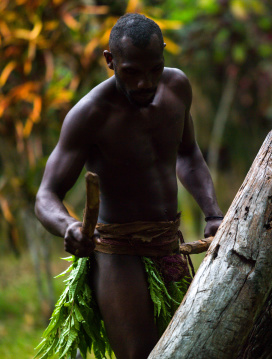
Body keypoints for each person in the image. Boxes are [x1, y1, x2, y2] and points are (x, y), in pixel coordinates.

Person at [34, 13, 223, 359]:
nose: (144, 83)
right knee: (140, 354)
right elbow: (46, 196)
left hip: (169, 244)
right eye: (131, 72)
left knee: (194, 348)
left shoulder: (178, 87)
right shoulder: (91, 114)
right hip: (118, 252)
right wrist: (70, 227)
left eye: (154, 69)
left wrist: (213, 214)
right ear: (110, 60)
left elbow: (188, 153)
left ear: (164, 54)